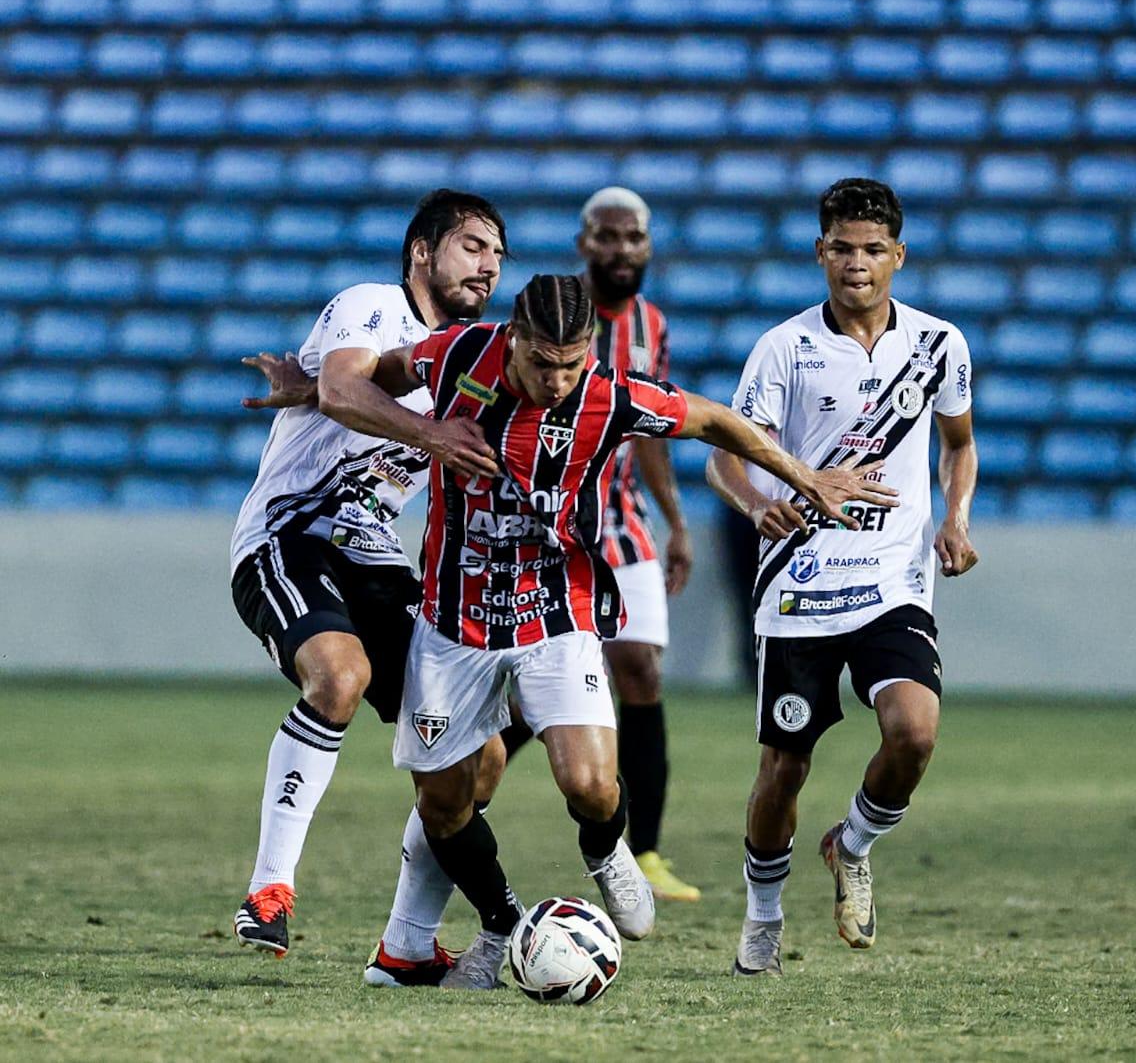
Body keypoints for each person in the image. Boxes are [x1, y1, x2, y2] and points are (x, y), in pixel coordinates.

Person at [316, 273, 896, 989]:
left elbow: (713, 420)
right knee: (442, 802)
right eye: (541, 363)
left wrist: (803, 477)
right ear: (513, 339)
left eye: (572, 362)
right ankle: (501, 928)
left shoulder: (611, 394)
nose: (557, 380)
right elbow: (376, 374)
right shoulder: (459, 354)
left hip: (555, 607)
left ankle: (605, 847)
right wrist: (340, 397)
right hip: (452, 616)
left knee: (589, 782)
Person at [228, 190, 513, 987]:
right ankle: (269, 889)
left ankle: (404, 947)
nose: (487, 265)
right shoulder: (372, 306)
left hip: (375, 558)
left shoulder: (472, 361)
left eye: (497, 254)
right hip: (290, 533)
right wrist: (429, 432)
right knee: (340, 674)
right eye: (471, 246)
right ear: (422, 251)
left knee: (479, 758)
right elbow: (347, 390)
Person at [706, 178, 980, 977]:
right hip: (802, 582)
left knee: (915, 731)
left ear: (899, 255)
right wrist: (758, 503)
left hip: (893, 577)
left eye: (871, 250)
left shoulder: (938, 346)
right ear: (818, 251)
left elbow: (958, 443)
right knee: (784, 767)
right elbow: (727, 454)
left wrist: (956, 517)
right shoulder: (784, 349)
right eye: (841, 249)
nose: (856, 264)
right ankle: (762, 916)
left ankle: (851, 842)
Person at [574, 186, 700, 901]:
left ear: (648, 246)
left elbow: (653, 428)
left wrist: (675, 520)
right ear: (584, 244)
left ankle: (645, 851)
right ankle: (464, 791)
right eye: (608, 236)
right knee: (539, 694)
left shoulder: (651, 325)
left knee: (641, 671)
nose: (622, 249)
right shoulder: (557, 314)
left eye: (634, 238)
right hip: (556, 522)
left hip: (624, 522)